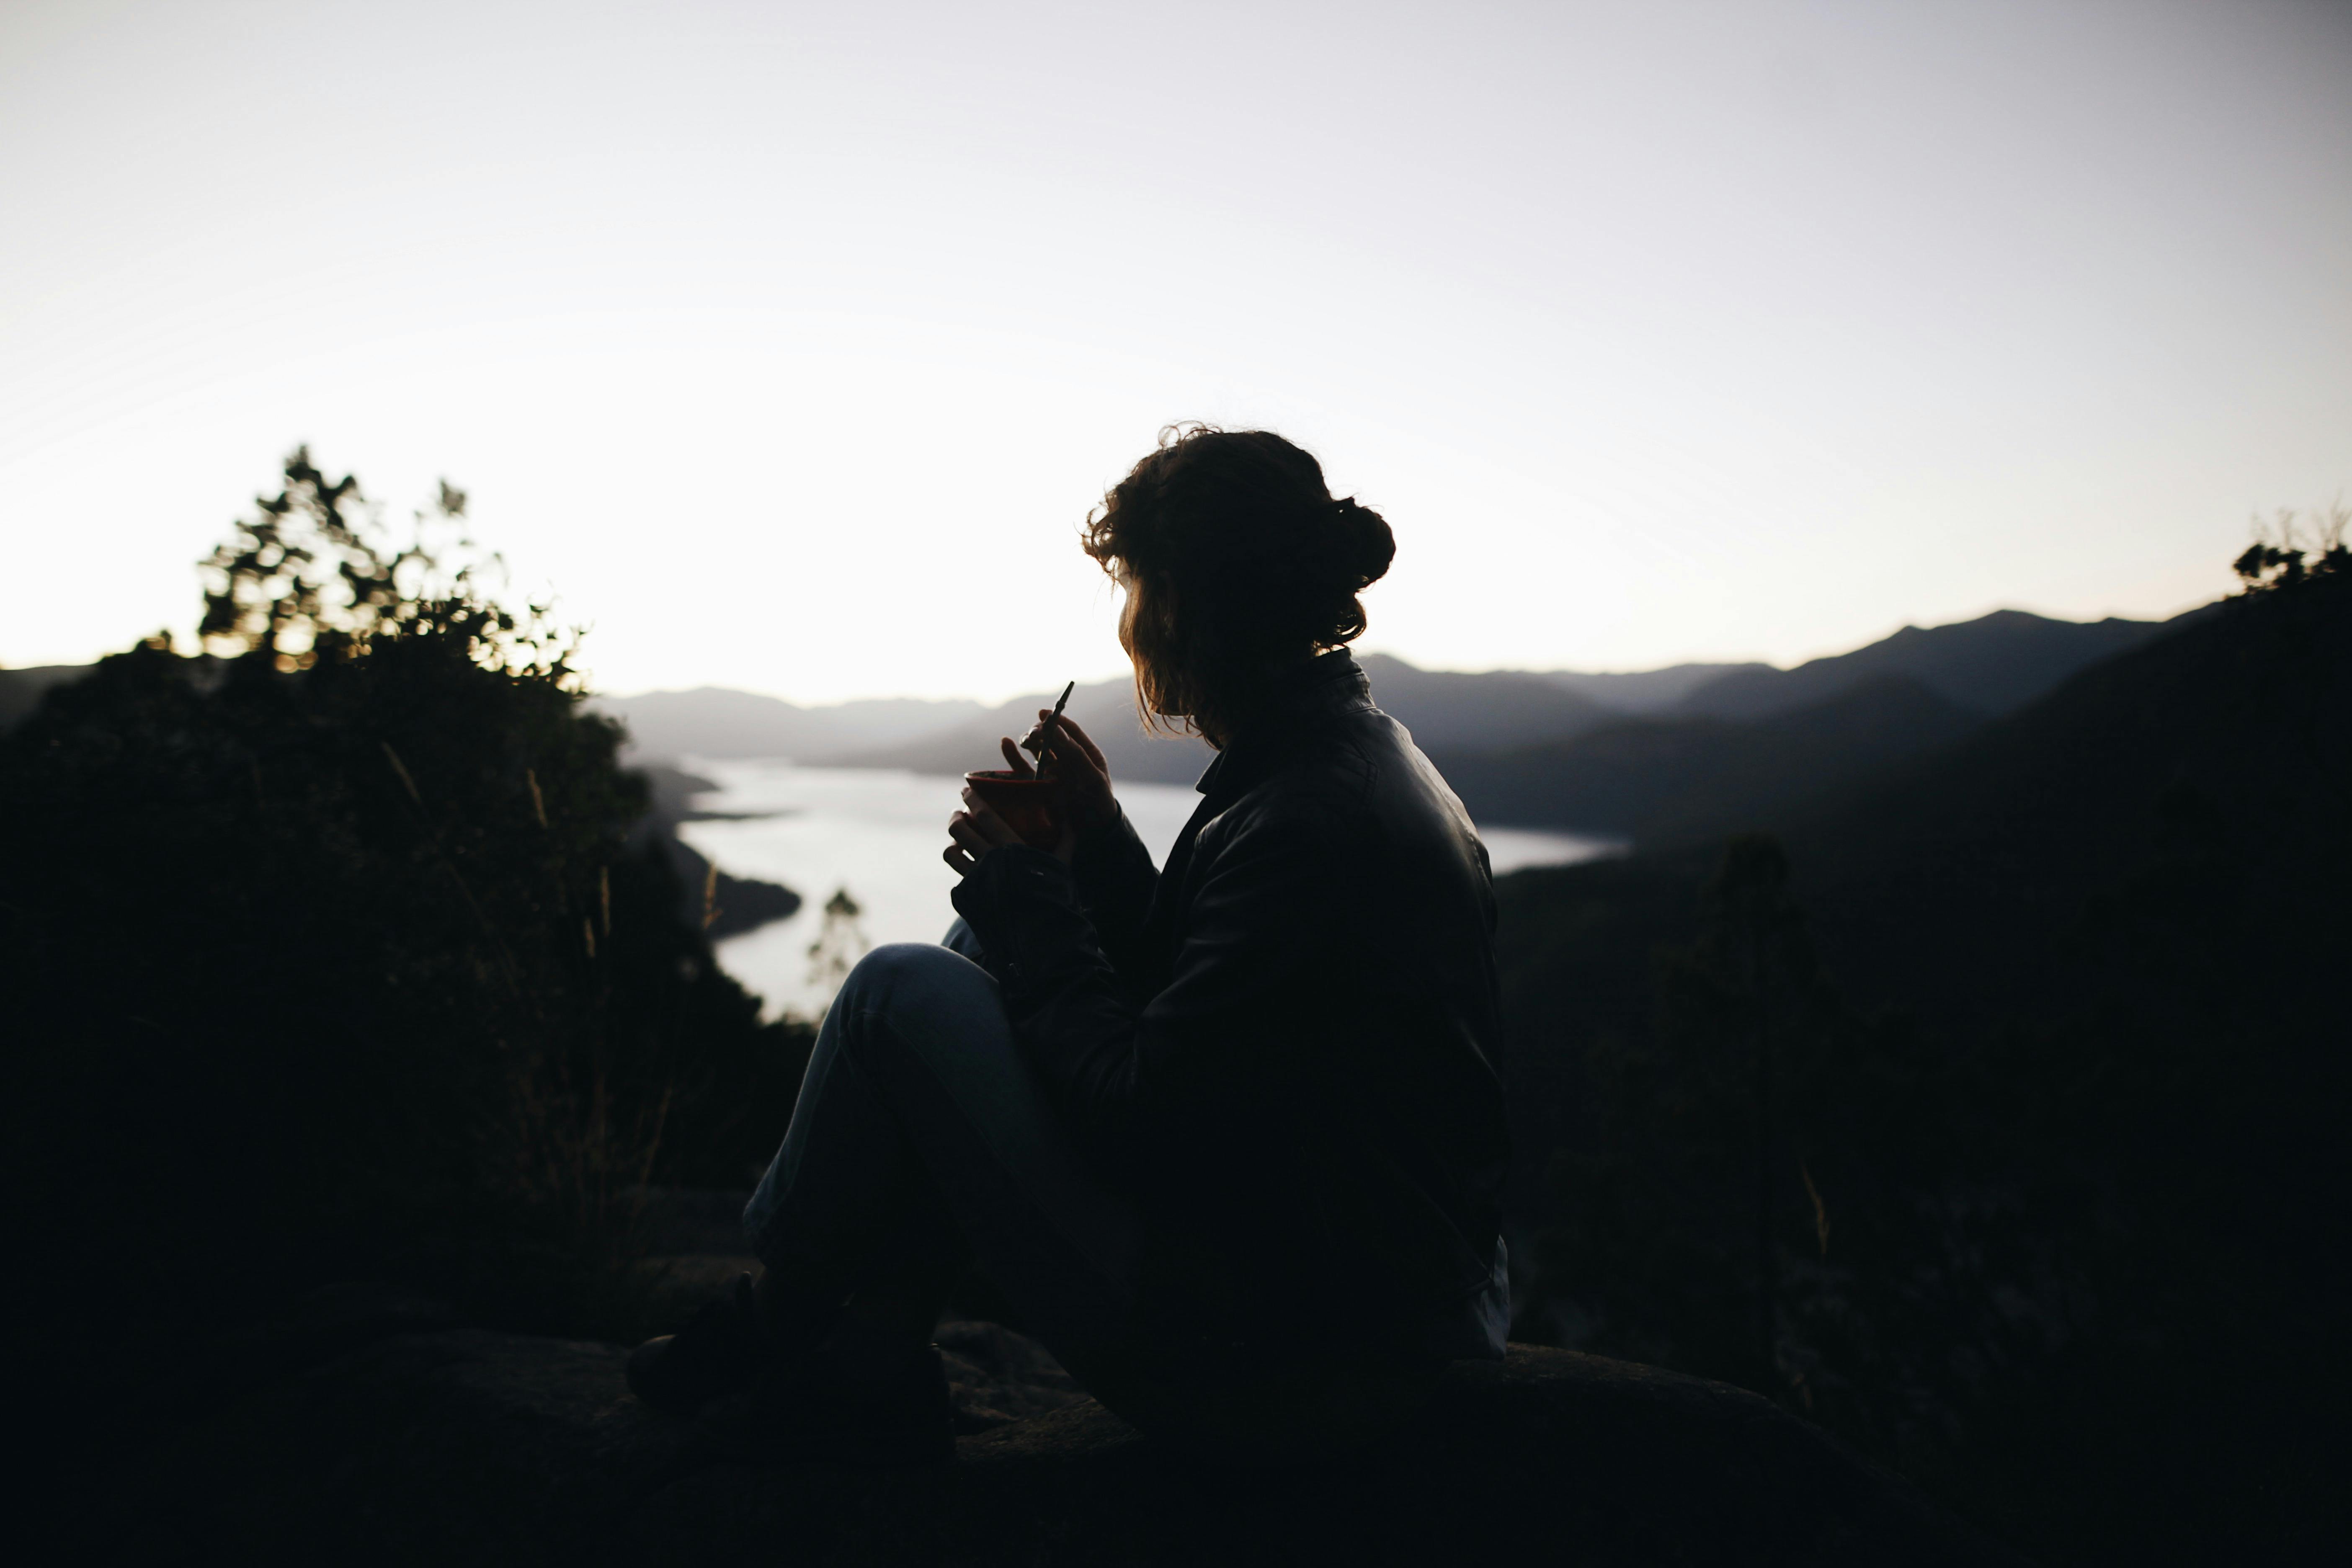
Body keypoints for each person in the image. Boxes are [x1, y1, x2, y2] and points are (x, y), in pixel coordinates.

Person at [626, 425, 1511, 1464]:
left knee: (896, 992)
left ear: (1176, 602)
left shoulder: (1306, 821)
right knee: (974, 945)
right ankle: (870, 1354)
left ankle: (781, 1316)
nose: (1130, 626)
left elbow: (1143, 1113)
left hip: (1293, 1365)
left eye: (1134, 591)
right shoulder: (1346, 762)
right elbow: (1225, 1032)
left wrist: (1033, 901)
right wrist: (1095, 848)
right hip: (1348, 1296)